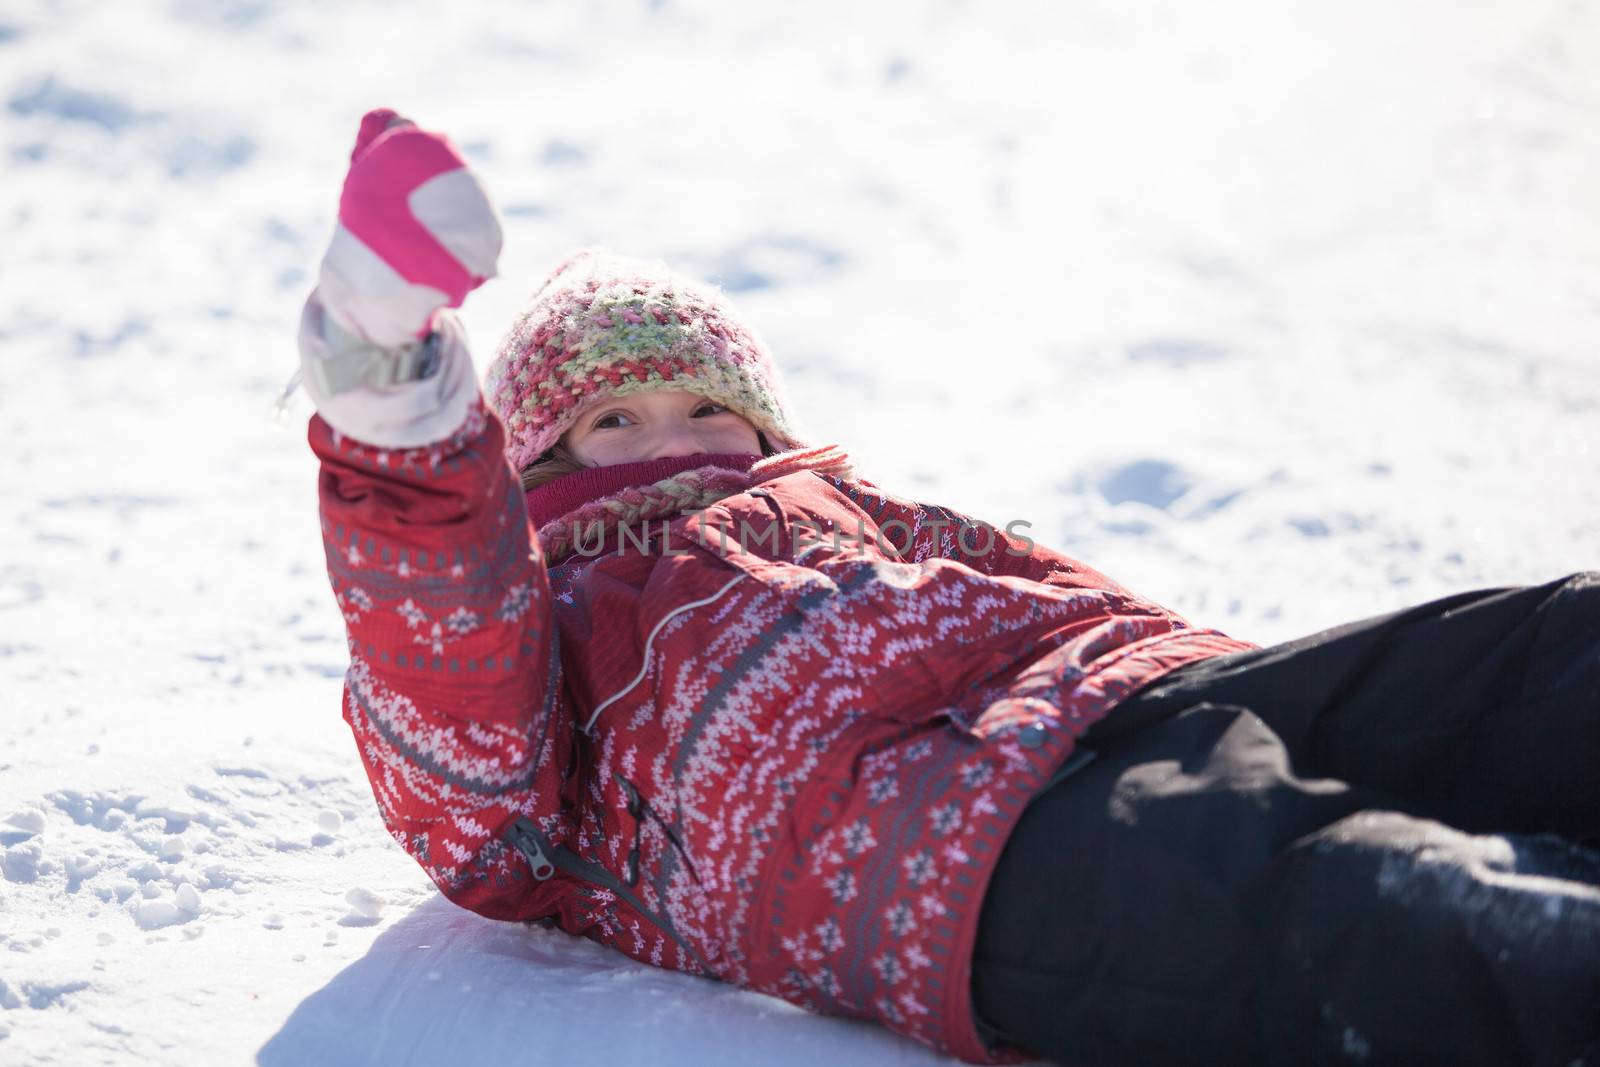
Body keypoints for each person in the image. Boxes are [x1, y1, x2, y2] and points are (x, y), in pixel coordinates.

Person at [291, 109, 1600, 1066]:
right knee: (1385, 912)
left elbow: (1066, 599)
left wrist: (1268, 697)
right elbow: (437, 644)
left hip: (1134, 700)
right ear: (532, 464)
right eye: (613, 423)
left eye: (705, 405)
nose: (672, 441)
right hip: (958, 853)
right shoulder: (551, 620)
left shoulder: (855, 505)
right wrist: (392, 398)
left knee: (1523, 664)